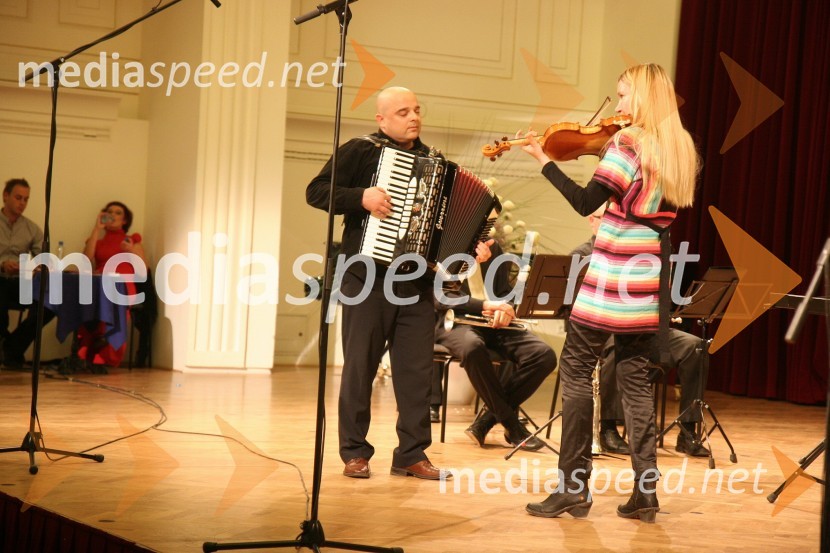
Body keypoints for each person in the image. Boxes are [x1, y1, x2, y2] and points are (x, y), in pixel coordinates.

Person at [520, 64, 699, 522]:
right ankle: (646, 493)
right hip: (647, 270)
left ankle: (573, 489)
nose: (617, 107)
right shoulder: (679, 147)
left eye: (623, 96)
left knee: (577, 368)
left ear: (641, 98)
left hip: (615, 266)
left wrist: (543, 160)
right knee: (636, 378)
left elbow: (585, 202)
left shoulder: (628, 142)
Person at [306, 86, 488, 481]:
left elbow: (446, 232)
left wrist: (473, 248)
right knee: (360, 368)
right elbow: (316, 192)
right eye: (403, 111)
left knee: (415, 373)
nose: (413, 117)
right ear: (382, 119)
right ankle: (354, 452)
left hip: (416, 284)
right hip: (367, 279)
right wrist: (361, 197)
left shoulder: (437, 164)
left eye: (417, 110)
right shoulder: (361, 150)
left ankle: (411, 454)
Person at [570, 209, 710, 458]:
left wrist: (663, 312)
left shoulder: (640, 255)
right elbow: (572, 306)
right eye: (607, 219)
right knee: (615, 344)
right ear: (592, 221)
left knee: (695, 346)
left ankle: (688, 431)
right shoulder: (581, 256)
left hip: (644, 328)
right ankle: (608, 429)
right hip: (601, 332)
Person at [434, 242, 557, 451]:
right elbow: (441, 297)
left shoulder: (494, 248)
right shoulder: (443, 248)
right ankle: (512, 425)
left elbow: (503, 292)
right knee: (472, 346)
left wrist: (506, 308)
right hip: (454, 321)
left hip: (494, 324)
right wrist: (470, 270)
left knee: (544, 355)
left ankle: (486, 421)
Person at [77, 201, 147, 368]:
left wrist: (130, 251)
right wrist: (96, 229)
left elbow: (144, 269)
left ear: (124, 220)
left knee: (114, 301)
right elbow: (86, 260)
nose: (113, 215)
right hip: (101, 283)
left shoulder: (132, 241)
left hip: (124, 284)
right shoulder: (98, 241)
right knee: (84, 301)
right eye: (109, 212)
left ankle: (107, 356)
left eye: (118, 213)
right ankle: (87, 353)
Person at [0, 178, 56, 368]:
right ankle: (8, 348)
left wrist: (35, 267)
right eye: (18, 198)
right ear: (5, 196)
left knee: (49, 303)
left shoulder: (32, 229)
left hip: (20, 282)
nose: (22, 203)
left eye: (26, 199)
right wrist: (2, 265)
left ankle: (11, 346)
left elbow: (44, 258)